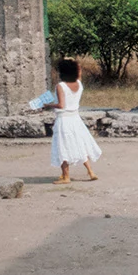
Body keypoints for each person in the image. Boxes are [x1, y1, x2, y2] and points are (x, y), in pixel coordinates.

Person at [43, 55, 101, 185]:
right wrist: (74, 62)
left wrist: (47, 105)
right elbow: (79, 71)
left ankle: (66, 176)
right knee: (79, 144)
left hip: (64, 120)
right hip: (75, 118)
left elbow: (61, 105)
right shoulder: (79, 84)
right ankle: (91, 172)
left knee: (63, 146)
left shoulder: (61, 86)